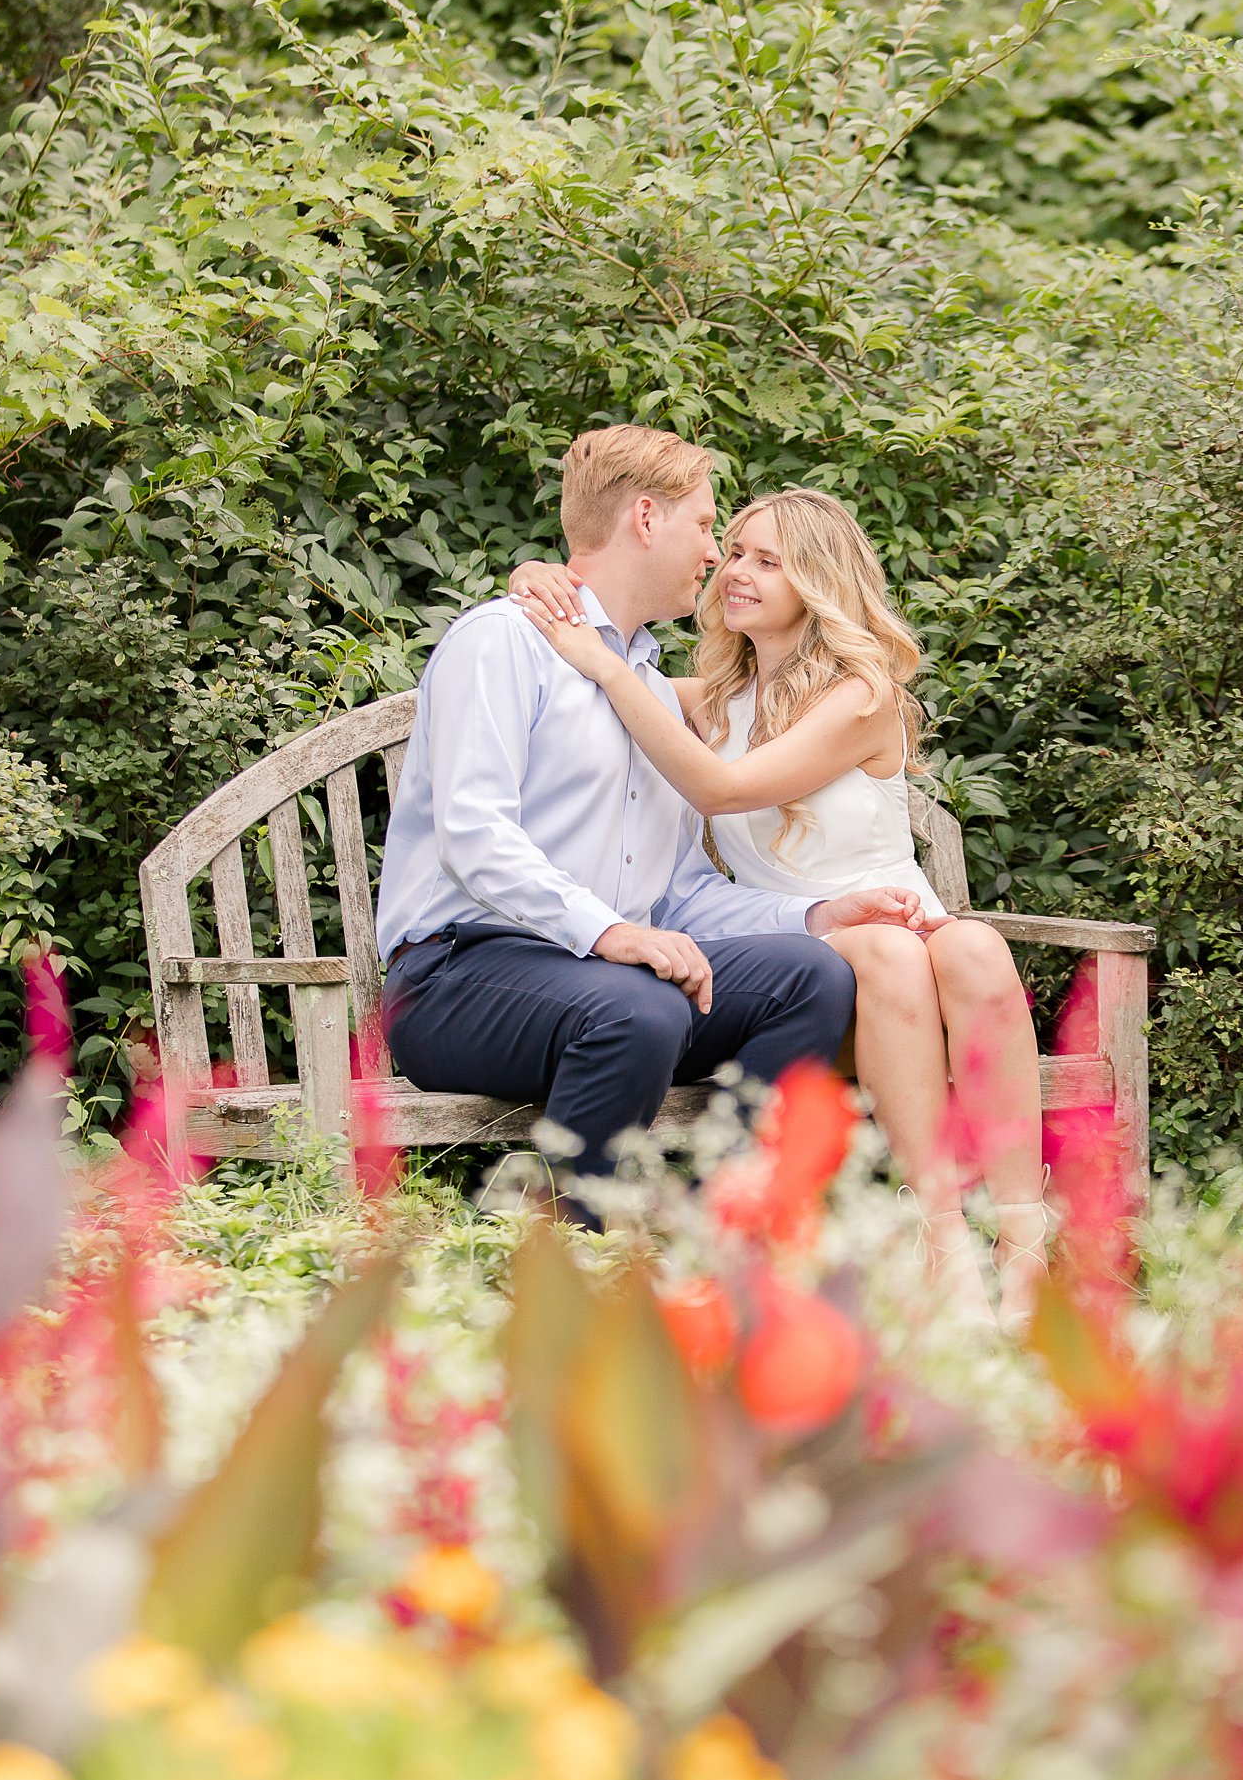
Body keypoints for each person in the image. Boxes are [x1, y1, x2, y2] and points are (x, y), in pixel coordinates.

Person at [508, 483, 1050, 1322]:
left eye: (771, 560)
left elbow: (718, 789)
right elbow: (611, 657)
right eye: (736, 552)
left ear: (819, 581)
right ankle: (943, 1242)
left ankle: (1026, 1246)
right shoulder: (716, 698)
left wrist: (611, 668)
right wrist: (544, 575)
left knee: (976, 947)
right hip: (796, 958)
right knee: (890, 950)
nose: (738, 571)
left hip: (890, 919)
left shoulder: (861, 694)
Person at [375, 427, 942, 1223]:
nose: (714, 555)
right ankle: (577, 1257)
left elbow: (674, 893)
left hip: (602, 976)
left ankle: (716, 1239)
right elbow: (473, 835)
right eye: (708, 526)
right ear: (646, 518)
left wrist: (812, 918)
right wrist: (611, 932)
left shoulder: (644, 683)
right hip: (456, 977)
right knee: (640, 1006)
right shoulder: (503, 642)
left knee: (813, 978)